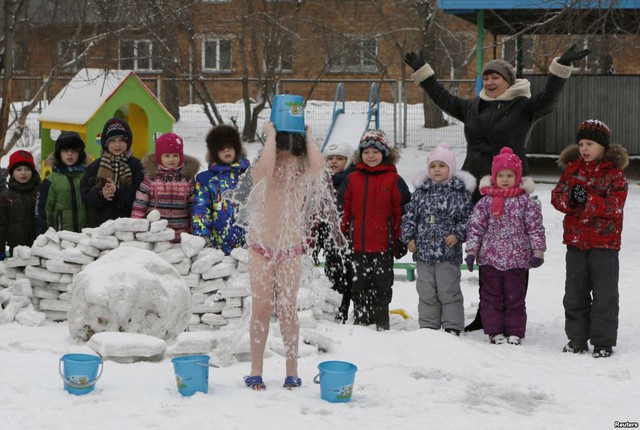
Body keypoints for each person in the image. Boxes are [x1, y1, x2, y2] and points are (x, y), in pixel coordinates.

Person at [405, 44, 589, 332]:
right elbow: (442, 98)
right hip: (477, 188)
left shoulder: (525, 108)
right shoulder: (472, 107)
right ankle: (486, 312)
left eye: (496, 78)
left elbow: (550, 97)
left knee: (515, 251)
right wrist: (423, 72)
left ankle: (513, 311)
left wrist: (560, 67)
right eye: (486, 77)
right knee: (485, 252)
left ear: (509, 82)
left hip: (511, 190)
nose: (490, 83)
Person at [242, 121, 327, 391]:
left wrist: (309, 135)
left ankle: (292, 371)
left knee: (288, 310)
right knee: (261, 308)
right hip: (260, 248)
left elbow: (319, 166)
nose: (286, 163)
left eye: (292, 157)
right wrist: (271, 136)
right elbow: (266, 167)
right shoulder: (263, 169)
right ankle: (256, 370)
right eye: (282, 156)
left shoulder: (302, 171)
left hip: (290, 249)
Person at [550, 119, 628, 358]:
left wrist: (588, 200)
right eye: (581, 143)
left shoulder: (615, 175)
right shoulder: (572, 170)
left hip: (604, 244)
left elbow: (615, 206)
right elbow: (557, 197)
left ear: (603, 146)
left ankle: (603, 342)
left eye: (590, 144)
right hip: (576, 243)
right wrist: (570, 201)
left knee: (605, 295)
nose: (584, 148)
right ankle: (576, 339)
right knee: (575, 293)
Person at [464, 147, 546, 345]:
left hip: (517, 260)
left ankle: (515, 331)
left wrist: (538, 251)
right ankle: (495, 331)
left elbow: (535, 228)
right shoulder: (485, 203)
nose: (505, 179)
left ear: (518, 177)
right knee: (491, 297)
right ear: (494, 177)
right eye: (501, 175)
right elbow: (476, 227)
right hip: (490, 259)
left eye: (510, 175)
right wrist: (471, 251)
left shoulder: (526, 203)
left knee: (515, 298)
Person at [337, 129, 411, 331]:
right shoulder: (352, 179)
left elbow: (402, 213)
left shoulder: (394, 180)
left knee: (382, 284)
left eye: (376, 152)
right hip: (357, 245)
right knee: (359, 283)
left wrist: (400, 239)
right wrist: (341, 236)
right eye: (366, 151)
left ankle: (381, 320)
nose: (371, 156)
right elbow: (343, 209)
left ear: (385, 154)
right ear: (360, 154)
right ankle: (361, 319)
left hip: (383, 246)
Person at [400, 143, 475, 335]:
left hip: (447, 253)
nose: (437, 170)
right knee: (426, 291)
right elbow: (409, 217)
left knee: (448, 290)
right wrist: (409, 238)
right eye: (433, 166)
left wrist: (457, 235)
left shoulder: (459, 194)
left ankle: (452, 325)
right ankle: (428, 326)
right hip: (423, 253)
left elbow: (469, 219)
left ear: (451, 168)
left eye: (442, 165)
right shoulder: (420, 193)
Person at [131, 132, 200, 242]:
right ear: (159, 157)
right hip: (156, 234)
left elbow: (193, 207)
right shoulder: (151, 178)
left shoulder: (187, 179)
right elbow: (140, 205)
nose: (171, 159)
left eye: (175, 155)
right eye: (167, 156)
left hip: (181, 235)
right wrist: (136, 226)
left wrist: (194, 229)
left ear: (181, 156)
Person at [192, 124, 250, 254]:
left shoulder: (248, 175)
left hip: (247, 240)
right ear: (214, 152)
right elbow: (201, 206)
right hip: (218, 242)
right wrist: (202, 234)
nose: (226, 151)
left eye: (229, 147)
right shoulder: (206, 179)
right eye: (221, 149)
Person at [80, 118, 144, 227]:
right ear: (105, 143)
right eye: (113, 141)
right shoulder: (95, 167)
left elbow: (140, 193)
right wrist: (100, 193)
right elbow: (85, 194)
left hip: (129, 224)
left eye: (121, 140)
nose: (117, 145)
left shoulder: (136, 166)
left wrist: (118, 190)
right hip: (101, 224)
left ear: (128, 142)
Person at [318, 141, 356, 322]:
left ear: (348, 161)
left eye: (339, 158)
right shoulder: (322, 181)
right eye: (330, 158)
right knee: (333, 277)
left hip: (351, 239)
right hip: (329, 240)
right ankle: (337, 314)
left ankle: (352, 313)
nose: (334, 162)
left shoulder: (352, 180)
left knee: (351, 278)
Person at [35, 131, 88, 234]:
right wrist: (44, 235)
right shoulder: (50, 181)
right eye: (65, 150)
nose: (69, 154)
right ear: (59, 154)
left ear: (80, 153)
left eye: (73, 150)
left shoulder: (87, 176)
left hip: (85, 238)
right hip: (61, 239)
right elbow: (43, 212)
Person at [0, 150, 41, 260]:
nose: (23, 173)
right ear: (12, 173)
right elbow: (1, 225)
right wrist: (1, 248)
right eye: (18, 169)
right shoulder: (5, 196)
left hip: (38, 245)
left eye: (27, 169)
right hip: (16, 247)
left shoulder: (39, 192)